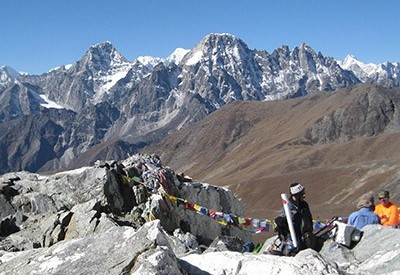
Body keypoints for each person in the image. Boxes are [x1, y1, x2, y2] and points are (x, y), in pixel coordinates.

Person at [273, 182, 315, 255]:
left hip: (307, 237)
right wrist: (280, 221)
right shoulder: (287, 208)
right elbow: (281, 220)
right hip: (294, 239)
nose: (304, 195)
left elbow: (309, 218)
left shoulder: (304, 205)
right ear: (296, 196)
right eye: (302, 194)